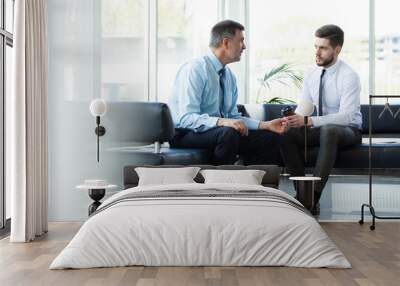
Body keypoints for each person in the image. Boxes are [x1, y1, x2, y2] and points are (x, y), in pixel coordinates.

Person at [169, 20, 287, 165]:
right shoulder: (195, 69)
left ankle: (254, 186)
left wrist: (266, 125)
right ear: (226, 43)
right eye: (241, 41)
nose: (244, 46)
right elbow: (186, 118)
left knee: (269, 136)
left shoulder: (229, 76)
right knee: (228, 133)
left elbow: (233, 118)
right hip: (186, 133)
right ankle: (221, 184)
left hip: (218, 132)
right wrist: (223, 122)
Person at [280, 24, 362, 214]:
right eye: (315, 47)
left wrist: (308, 121)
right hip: (323, 129)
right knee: (288, 134)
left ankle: (313, 197)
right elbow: (306, 106)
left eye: (323, 48)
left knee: (329, 130)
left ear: (337, 49)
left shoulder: (349, 76)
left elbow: (346, 116)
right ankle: (302, 195)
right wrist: (294, 119)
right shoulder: (312, 73)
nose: (317, 52)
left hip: (348, 130)